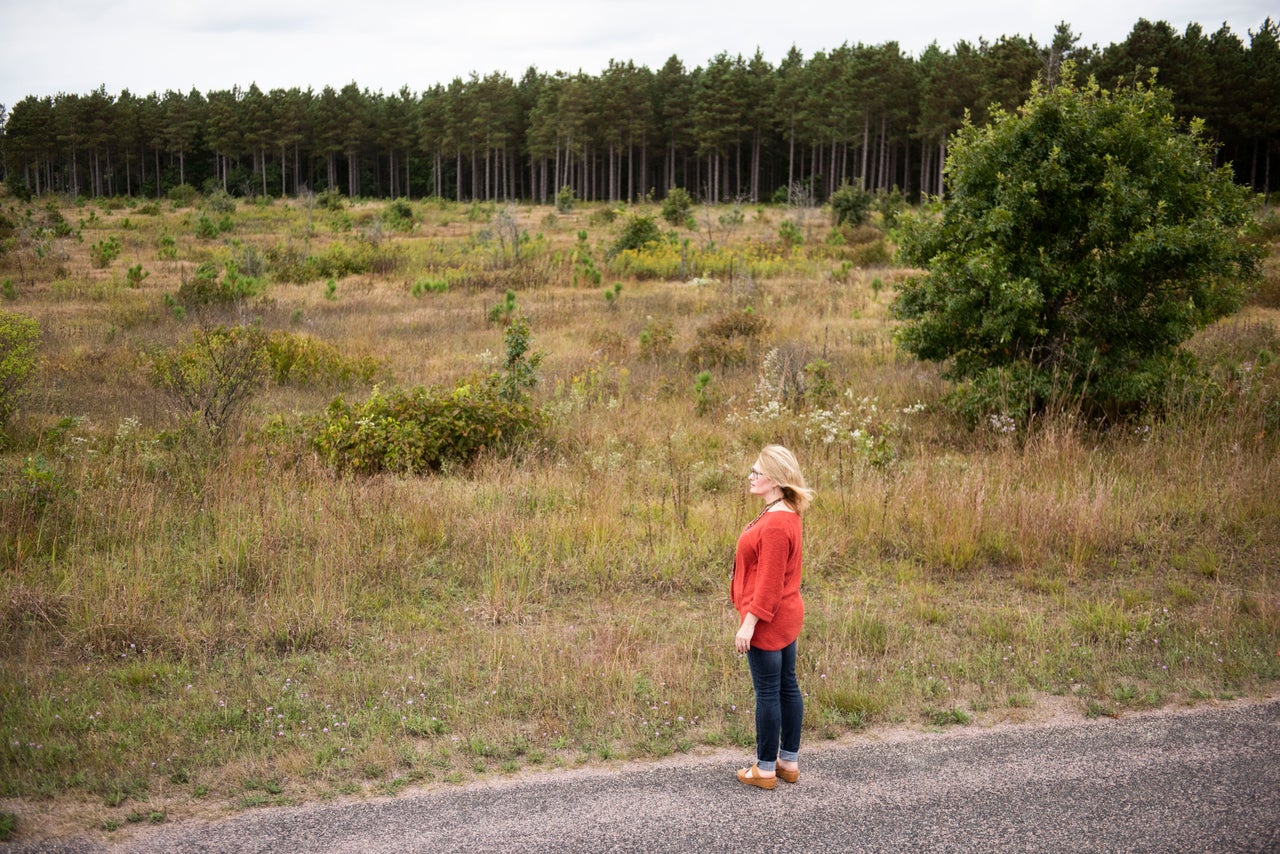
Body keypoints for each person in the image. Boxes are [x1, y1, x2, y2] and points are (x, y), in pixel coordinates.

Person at [731, 443, 814, 790]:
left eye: (757, 471)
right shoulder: (781, 513)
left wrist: (748, 625)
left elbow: (768, 584)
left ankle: (765, 770)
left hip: (769, 619)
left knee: (769, 692)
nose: (750, 476)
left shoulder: (778, 523)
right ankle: (787, 762)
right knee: (785, 686)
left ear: (775, 479)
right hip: (784, 616)